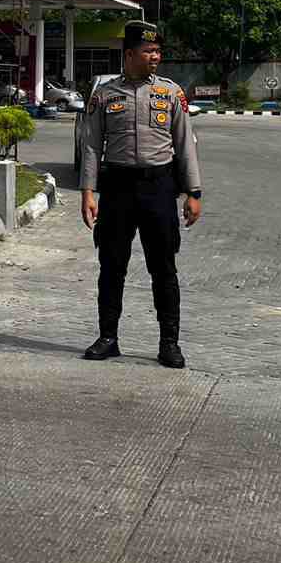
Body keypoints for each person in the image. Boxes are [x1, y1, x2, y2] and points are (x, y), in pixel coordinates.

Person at [78, 21, 202, 367]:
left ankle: (169, 343)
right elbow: (91, 146)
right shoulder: (105, 95)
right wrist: (88, 192)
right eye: (149, 51)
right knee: (111, 265)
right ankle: (108, 337)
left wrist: (193, 192)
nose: (155, 57)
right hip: (117, 188)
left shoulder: (170, 93)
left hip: (159, 187)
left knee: (163, 268)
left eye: (158, 51)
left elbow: (185, 144)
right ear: (130, 54)